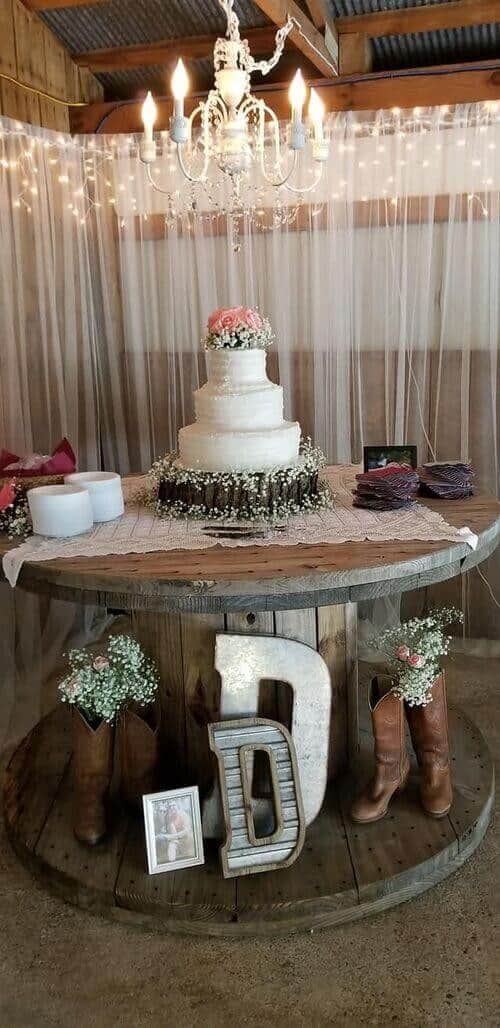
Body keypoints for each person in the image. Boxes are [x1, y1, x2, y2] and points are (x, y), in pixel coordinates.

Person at [155, 799, 194, 863]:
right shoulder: (170, 818)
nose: (172, 807)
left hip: (188, 840)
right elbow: (174, 836)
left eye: (173, 805)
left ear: (177, 806)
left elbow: (186, 832)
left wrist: (166, 836)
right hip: (178, 841)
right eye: (170, 806)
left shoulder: (184, 815)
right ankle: (171, 861)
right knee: (172, 845)